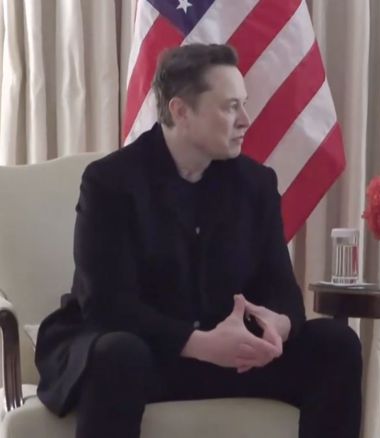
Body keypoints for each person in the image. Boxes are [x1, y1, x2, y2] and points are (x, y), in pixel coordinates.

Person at [34, 43, 362, 438]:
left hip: (232, 357)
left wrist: (278, 325)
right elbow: (107, 304)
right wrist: (200, 343)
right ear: (180, 111)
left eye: (243, 105)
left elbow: (282, 290)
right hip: (147, 352)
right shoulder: (111, 181)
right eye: (230, 107)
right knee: (119, 353)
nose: (245, 120)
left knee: (336, 344)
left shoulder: (256, 184)